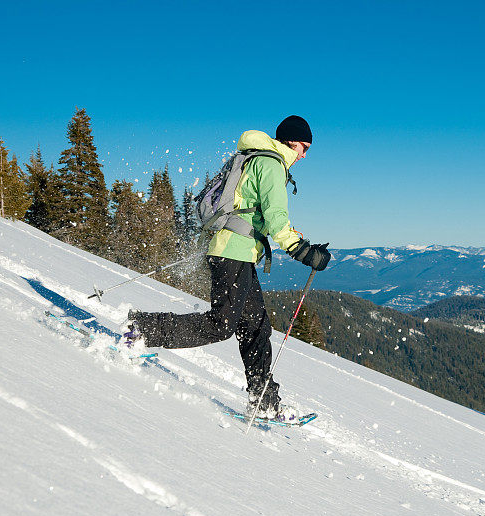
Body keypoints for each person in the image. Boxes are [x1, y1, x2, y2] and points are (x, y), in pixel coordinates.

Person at [126, 115, 331, 419]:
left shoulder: (258, 159)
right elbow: (276, 218)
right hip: (232, 252)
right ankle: (140, 329)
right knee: (220, 325)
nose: (305, 154)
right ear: (291, 141)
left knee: (256, 327)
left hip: (238, 252)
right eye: (304, 147)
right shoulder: (271, 164)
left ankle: (264, 400)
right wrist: (302, 251)